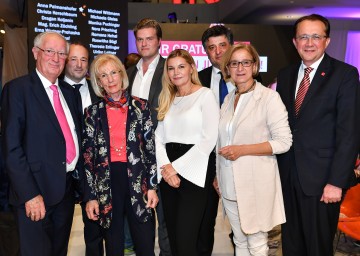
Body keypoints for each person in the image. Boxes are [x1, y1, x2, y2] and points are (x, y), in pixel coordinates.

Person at [276, 14, 360, 256]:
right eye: (303, 36)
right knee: (291, 246)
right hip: (288, 178)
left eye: (316, 36)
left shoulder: (345, 75)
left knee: (317, 248)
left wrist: (336, 182)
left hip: (323, 182)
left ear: (327, 41)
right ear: (294, 42)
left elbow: (349, 133)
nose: (309, 43)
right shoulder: (285, 75)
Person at [1, 31, 82, 256]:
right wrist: (29, 194)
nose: (56, 58)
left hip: (65, 193)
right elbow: (12, 149)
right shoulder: (17, 90)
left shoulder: (70, 93)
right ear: (36, 53)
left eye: (61, 53)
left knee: (58, 251)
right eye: (50, 52)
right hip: (35, 194)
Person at [217, 43, 292, 255]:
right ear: (228, 68)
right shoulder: (228, 98)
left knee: (257, 244)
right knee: (239, 241)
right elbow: (221, 141)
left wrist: (243, 150)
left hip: (256, 184)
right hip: (229, 183)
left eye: (246, 62)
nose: (240, 68)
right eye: (234, 63)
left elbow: (284, 142)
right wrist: (218, 175)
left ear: (255, 66)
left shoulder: (269, 98)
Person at [82, 53, 158, 256]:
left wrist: (151, 186)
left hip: (138, 179)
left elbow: (150, 151)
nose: (110, 79)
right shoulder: (92, 113)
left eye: (114, 73)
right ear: (99, 82)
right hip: (107, 182)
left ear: (121, 74)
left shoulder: (141, 107)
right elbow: (88, 158)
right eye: (104, 76)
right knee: (114, 245)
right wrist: (90, 197)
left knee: (144, 241)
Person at [155, 49, 219, 256]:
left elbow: (208, 139)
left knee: (187, 238)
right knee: (173, 236)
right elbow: (158, 138)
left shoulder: (205, 95)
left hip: (196, 171)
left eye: (181, 66)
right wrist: (166, 168)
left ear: (192, 68)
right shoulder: (168, 98)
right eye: (171, 68)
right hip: (168, 172)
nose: (176, 72)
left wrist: (175, 168)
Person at [127, 18, 171, 256]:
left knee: (165, 216)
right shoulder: (127, 74)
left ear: (159, 41)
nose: (144, 44)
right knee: (140, 214)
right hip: (135, 156)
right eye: (140, 39)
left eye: (149, 38)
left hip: (163, 152)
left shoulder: (170, 70)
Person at [198, 25, 235, 256]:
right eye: (212, 48)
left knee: (242, 224)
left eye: (222, 45)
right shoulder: (198, 79)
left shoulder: (250, 77)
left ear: (231, 46)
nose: (218, 52)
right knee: (204, 223)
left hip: (239, 159)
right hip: (206, 162)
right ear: (206, 52)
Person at [63, 41, 104, 256]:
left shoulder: (99, 90)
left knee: (94, 229)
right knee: (61, 229)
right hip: (65, 173)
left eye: (84, 59)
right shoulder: (55, 90)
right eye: (73, 59)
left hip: (95, 172)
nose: (79, 65)